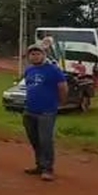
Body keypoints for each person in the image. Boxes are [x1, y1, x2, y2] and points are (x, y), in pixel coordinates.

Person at [22, 43, 68, 182]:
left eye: (38, 53)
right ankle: (40, 165)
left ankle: (48, 169)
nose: (35, 56)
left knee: (45, 140)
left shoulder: (53, 70)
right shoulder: (29, 70)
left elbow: (63, 87)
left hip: (46, 111)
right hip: (29, 110)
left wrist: (61, 102)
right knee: (35, 140)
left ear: (43, 55)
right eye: (32, 54)